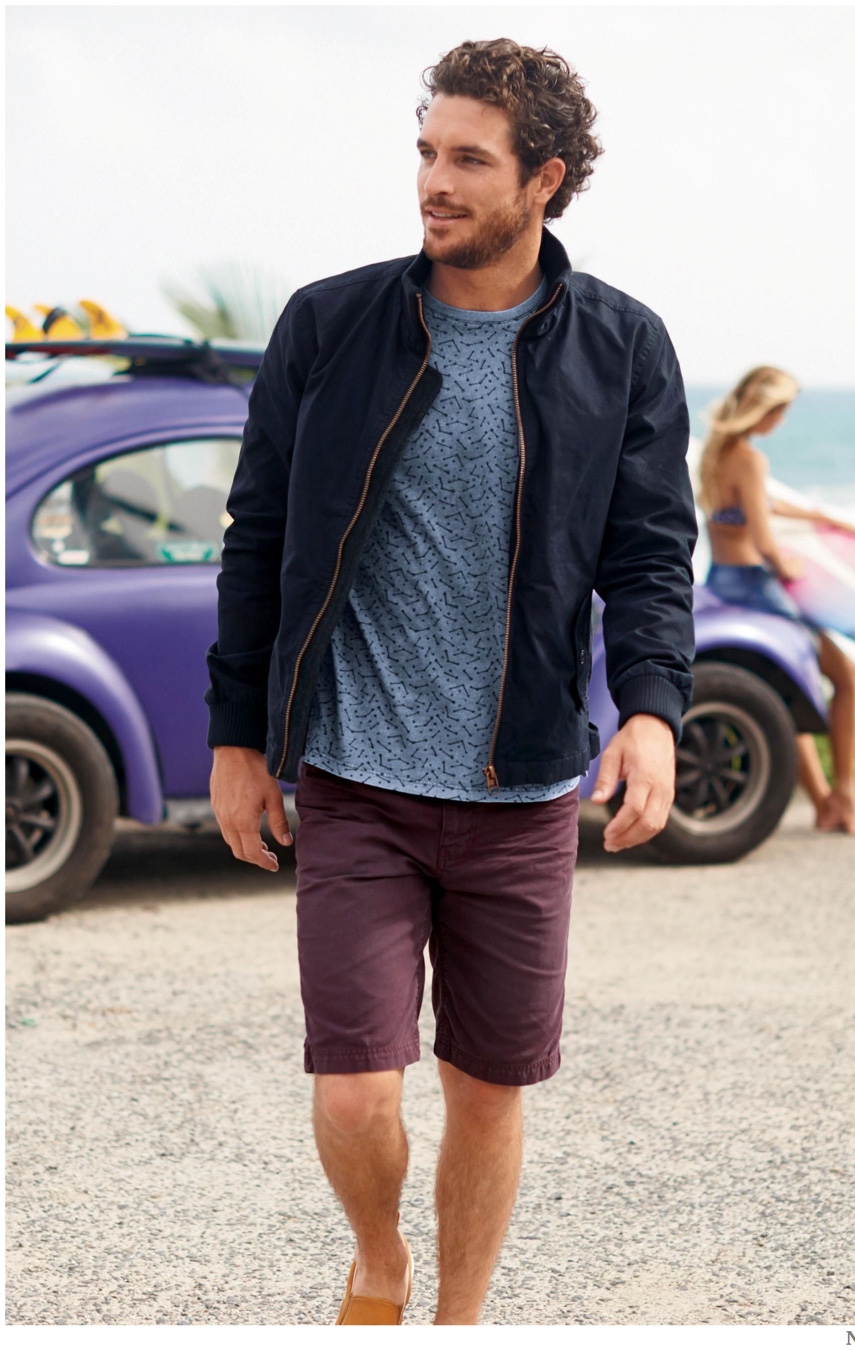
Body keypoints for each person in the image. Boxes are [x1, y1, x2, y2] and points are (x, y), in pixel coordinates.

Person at [205, 38, 697, 1325]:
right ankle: (380, 1255)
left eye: (469, 159)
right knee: (354, 1088)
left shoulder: (623, 348)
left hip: (521, 788)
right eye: (427, 151)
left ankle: (460, 1324)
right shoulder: (331, 324)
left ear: (545, 179)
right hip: (357, 777)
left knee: (487, 1089)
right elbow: (259, 537)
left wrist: (651, 710)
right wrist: (236, 737)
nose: (434, 180)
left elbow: (651, 555)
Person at [699, 365, 855, 836]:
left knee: (786, 690)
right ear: (761, 408)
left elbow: (761, 504)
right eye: (779, 411)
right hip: (757, 588)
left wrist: (820, 516)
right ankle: (846, 797)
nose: (781, 421)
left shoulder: (717, 452)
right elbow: (764, 539)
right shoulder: (751, 459)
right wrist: (789, 566)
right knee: (847, 678)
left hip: (723, 582)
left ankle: (823, 804)